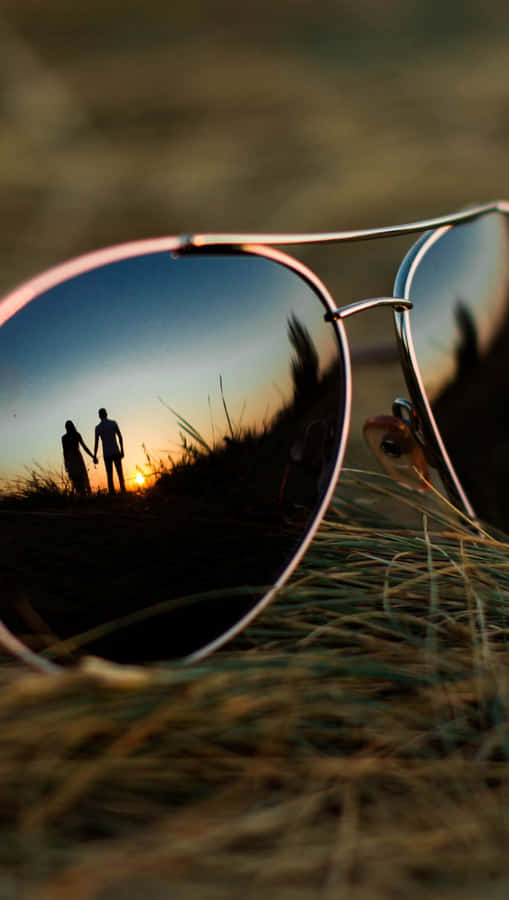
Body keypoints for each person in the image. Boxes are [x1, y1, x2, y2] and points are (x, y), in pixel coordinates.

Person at [93, 407, 126, 494]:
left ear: (99, 416)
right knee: (120, 473)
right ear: (106, 414)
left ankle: (112, 493)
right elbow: (120, 436)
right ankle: (123, 491)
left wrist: (94, 455)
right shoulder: (113, 423)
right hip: (116, 451)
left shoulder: (98, 428)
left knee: (109, 475)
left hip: (107, 454)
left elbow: (96, 443)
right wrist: (122, 450)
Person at [61, 420, 94, 495]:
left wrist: (66, 464)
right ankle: (84, 494)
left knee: (76, 479)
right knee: (80, 478)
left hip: (71, 459)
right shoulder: (76, 435)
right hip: (76, 458)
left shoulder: (65, 437)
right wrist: (92, 456)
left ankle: (82, 494)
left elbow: (64, 452)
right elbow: (84, 447)